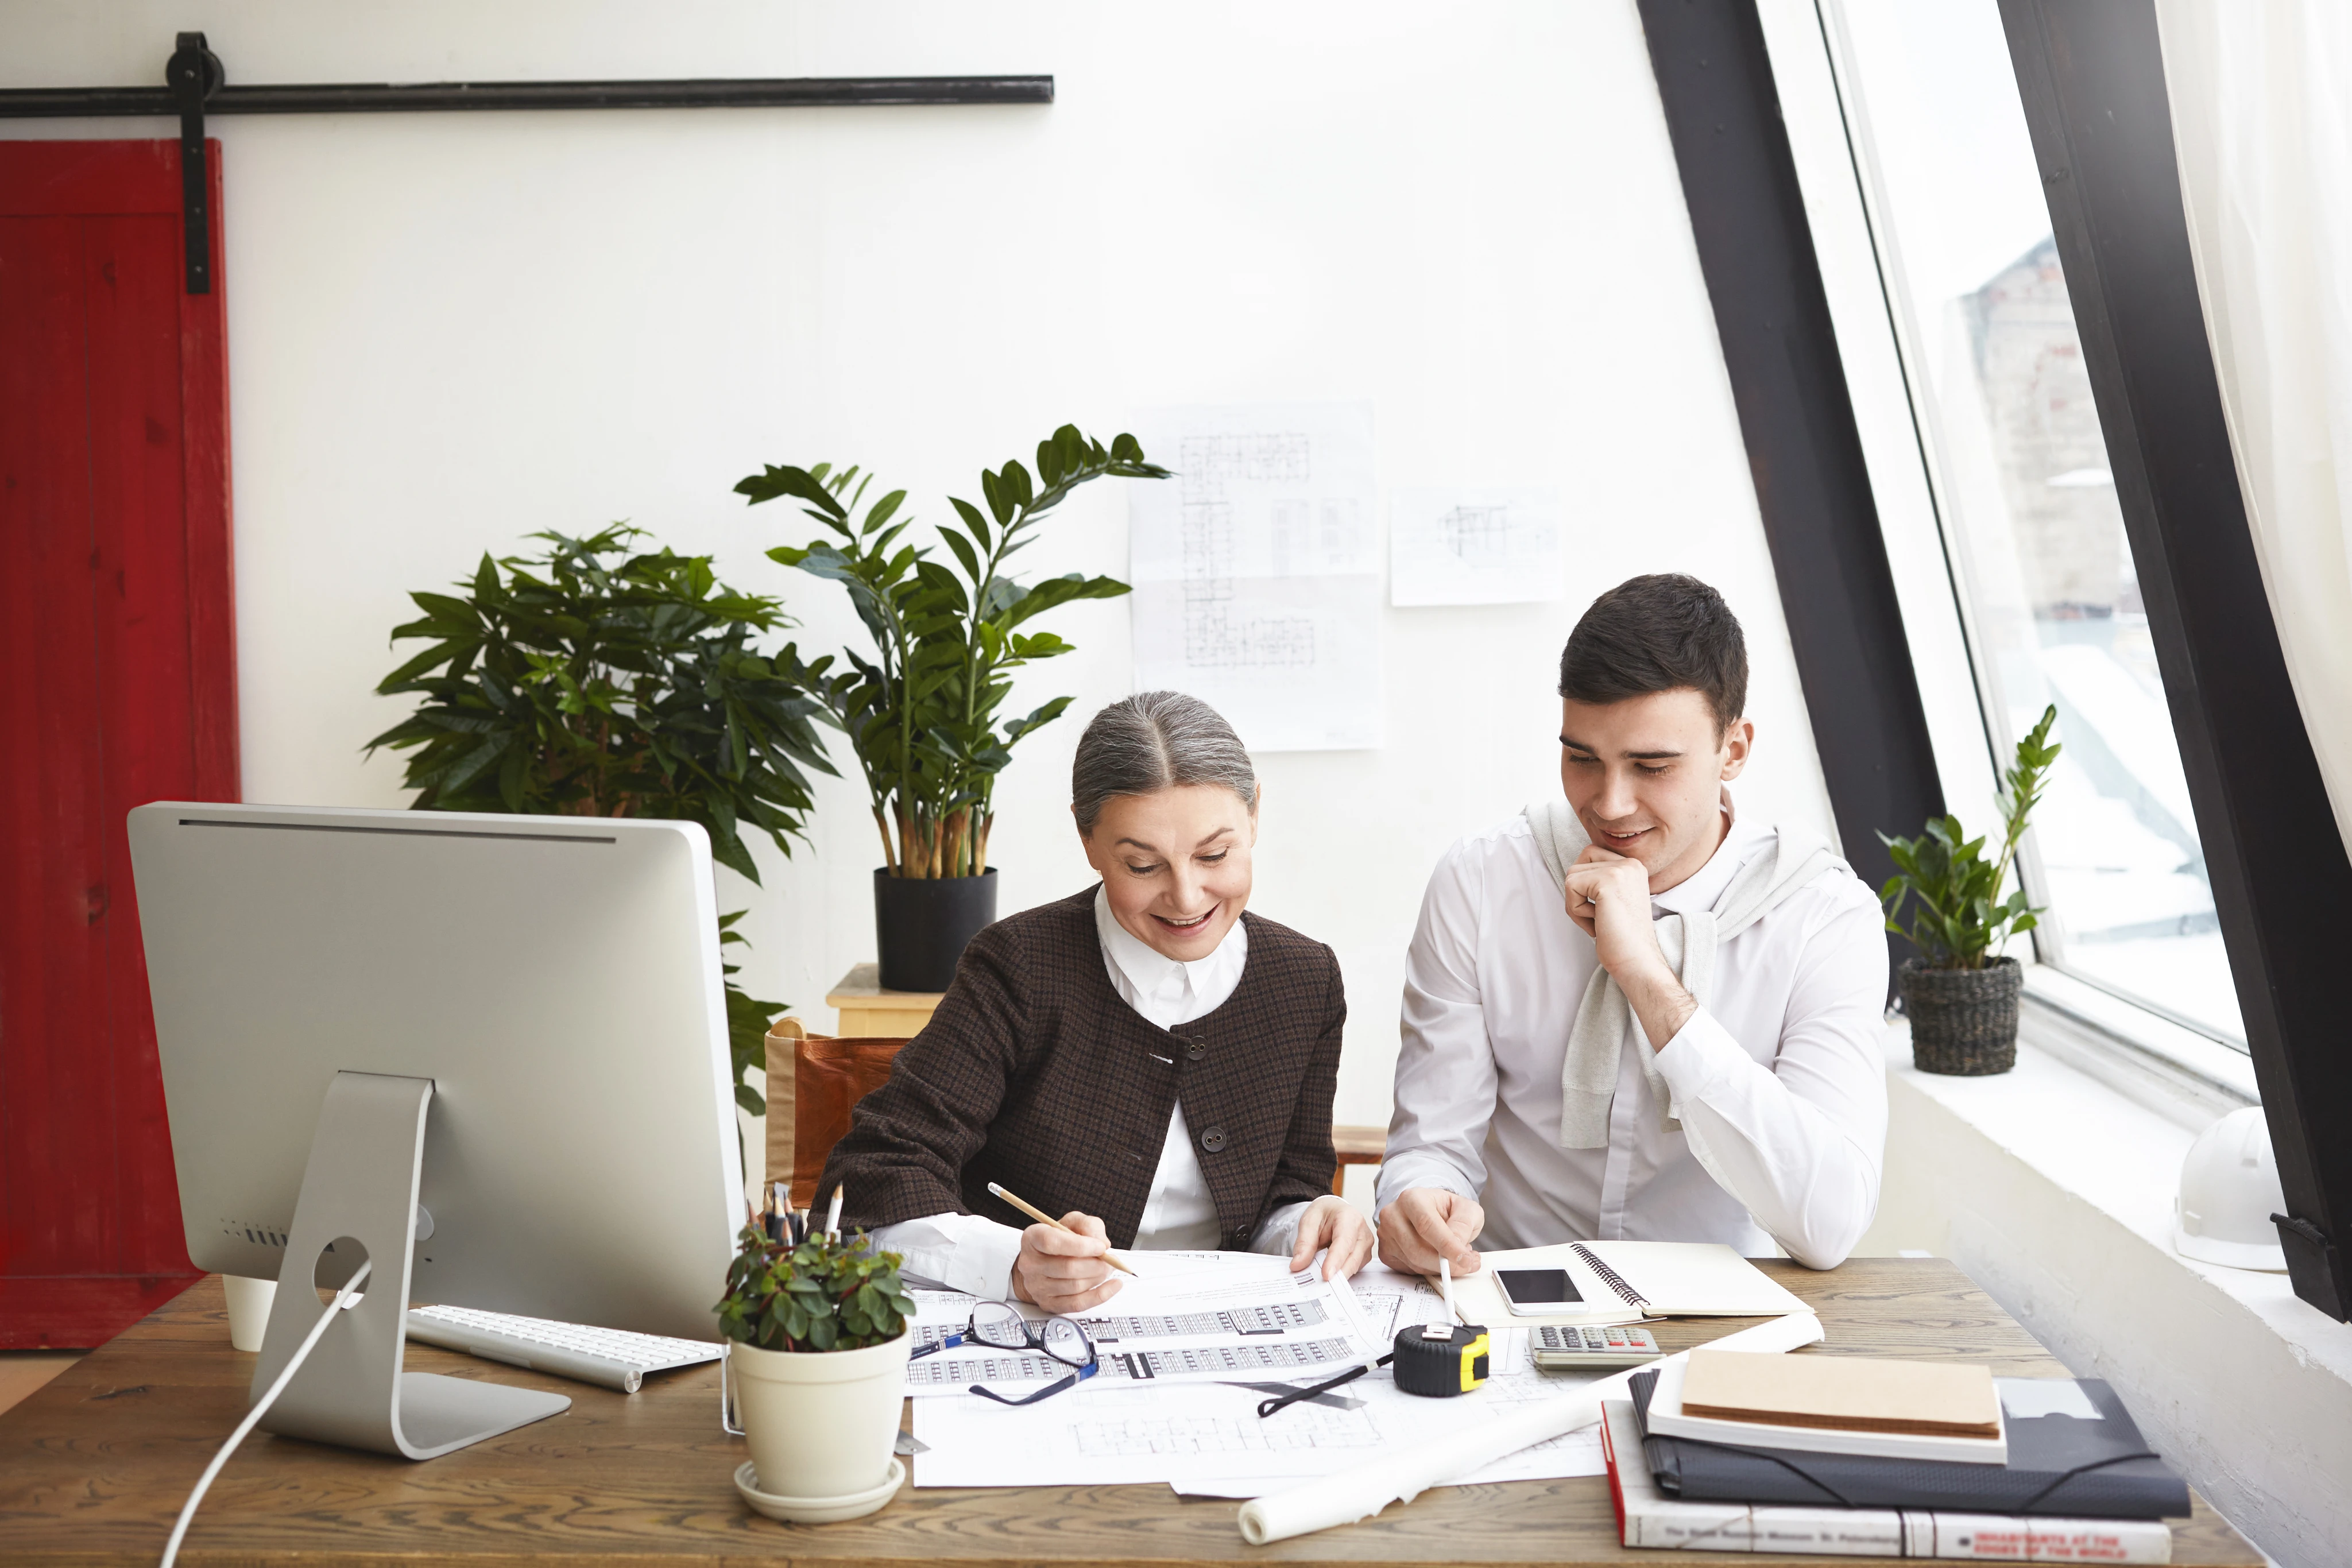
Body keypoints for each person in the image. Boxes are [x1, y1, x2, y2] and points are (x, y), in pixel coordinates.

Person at [1376, 574, 1887, 1277]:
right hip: (1506, 1299)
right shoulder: (1481, 881)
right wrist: (1416, 1199)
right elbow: (1432, 1141)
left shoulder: (1824, 918)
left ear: (1733, 750)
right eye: (1582, 758)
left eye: (1652, 766)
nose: (1610, 804)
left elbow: (1828, 1223)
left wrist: (1647, 976)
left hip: (1723, 1316)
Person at [823, 690, 1375, 1312]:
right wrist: (1014, 1265)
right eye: (1142, 865)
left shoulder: (1305, 978)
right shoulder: (1019, 966)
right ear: (1088, 843)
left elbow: (1287, 1191)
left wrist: (1309, 1221)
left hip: (1222, 1333)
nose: (1187, 897)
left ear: (1254, 818)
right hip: (1038, 1337)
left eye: (1214, 855)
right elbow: (875, 1174)